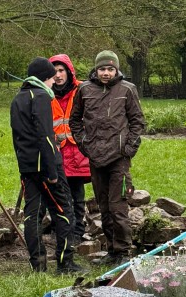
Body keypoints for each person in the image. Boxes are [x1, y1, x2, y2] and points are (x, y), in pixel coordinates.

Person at [70, 50, 146, 265]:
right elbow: (74, 120)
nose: (106, 73)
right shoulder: (84, 89)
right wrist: (84, 144)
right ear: (96, 69)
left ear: (117, 70)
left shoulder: (127, 90)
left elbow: (138, 121)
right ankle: (111, 250)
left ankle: (122, 252)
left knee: (118, 206)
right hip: (95, 157)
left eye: (110, 69)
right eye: (102, 68)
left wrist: (128, 147)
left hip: (118, 158)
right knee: (103, 206)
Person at [10, 57, 84, 274]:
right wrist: (52, 172)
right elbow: (45, 136)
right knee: (64, 211)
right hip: (46, 166)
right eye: (52, 78)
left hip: (26, 167)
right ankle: (65, 262)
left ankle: (38, 266)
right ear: (44, 78)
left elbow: (18, 138)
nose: (54, 82)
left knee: (32, 215)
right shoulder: (41, 96)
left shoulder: (18, 98)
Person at [49, 54, 91, 244]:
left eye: (61, 70)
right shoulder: (47, 93)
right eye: (54, 71)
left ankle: (77, 231)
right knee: (60, 194)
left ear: (69, 71)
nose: (58, 75)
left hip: (77, 151)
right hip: (57, 151)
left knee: (77, 194)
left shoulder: (82, 89)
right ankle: (64, 229)